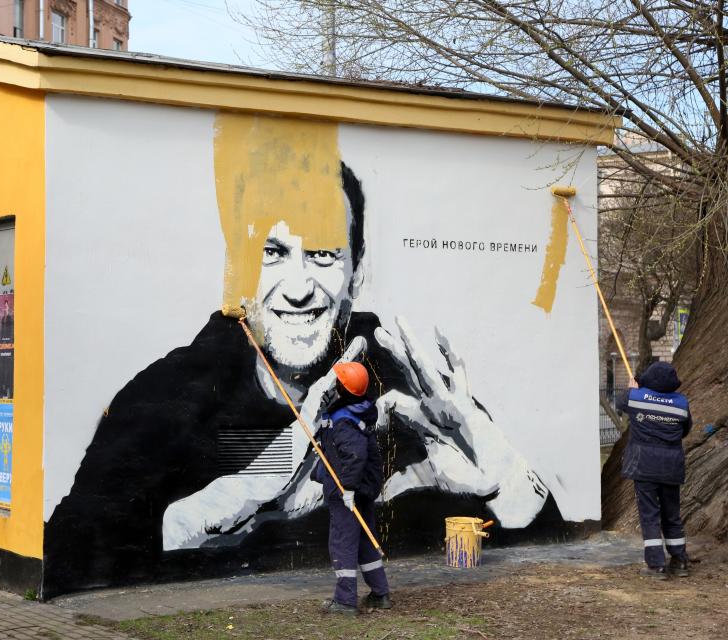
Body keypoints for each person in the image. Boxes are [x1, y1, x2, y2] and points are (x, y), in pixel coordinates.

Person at [43, 113, 555, 596]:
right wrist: (203, 513)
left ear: (356, 272)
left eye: (324, 254)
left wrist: (509, 487)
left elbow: (540, 553)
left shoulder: (412, 390)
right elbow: (66, 555)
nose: (298, 288)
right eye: (273, 253)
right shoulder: (165, 396)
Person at [314, 362, 391, 616]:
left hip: (348, 489)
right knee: (365, 540)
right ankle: (380, 594)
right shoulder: (357, 410)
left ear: (343, 388)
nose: (333, 384)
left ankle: (345, 601)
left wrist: (347, 489)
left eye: (337, 381)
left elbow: (355, 455)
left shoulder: (344, 420)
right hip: (363, 486)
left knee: (342, 543)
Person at [619, 362, 692, 579]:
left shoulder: (636, 397)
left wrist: (632, 388)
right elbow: (685, 429)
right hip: (671, 467)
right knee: (672, 514)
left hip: (645, 466)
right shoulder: (681, 403)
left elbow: (621, 402)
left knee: (650, 515)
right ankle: (679, 561)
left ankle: (656, 565)